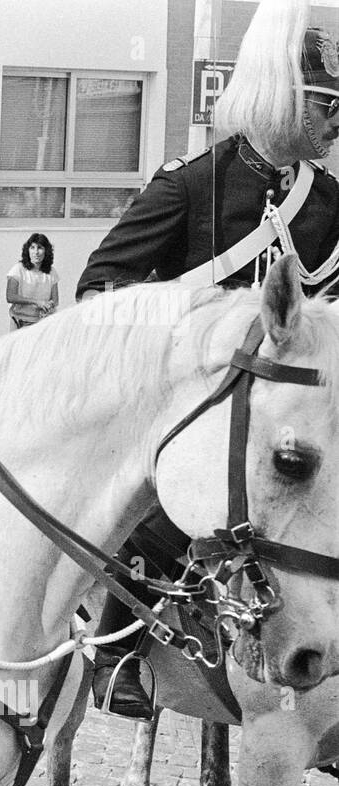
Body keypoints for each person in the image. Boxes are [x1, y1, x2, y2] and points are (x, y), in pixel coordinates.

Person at [77, 0, 339, 719]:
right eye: (324, 103)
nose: (334, 120)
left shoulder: (330, 204)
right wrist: (196, 330)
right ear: (283, 97)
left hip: (294, 400)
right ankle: (118, 649)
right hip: (201, 400)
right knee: (168, 502)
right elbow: (101, 286)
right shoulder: (191, 184)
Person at [6, 232, 58, 328]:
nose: (36, 252)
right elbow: (10, 297)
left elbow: (55, 300)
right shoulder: (18, 269)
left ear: (46, 251)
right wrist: (36, 302)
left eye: (40, 248)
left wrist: (49, 306)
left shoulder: (51, 272)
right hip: (20, 322)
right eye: (32, 248)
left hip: (42, 323)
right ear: (28, 250)